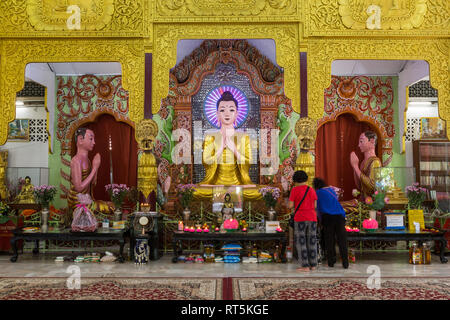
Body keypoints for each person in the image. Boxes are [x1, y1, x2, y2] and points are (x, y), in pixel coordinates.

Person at [194, 91, 261, 200]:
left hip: (238, 183)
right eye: (222, 110)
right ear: (217, 114)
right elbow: (206, 161)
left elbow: (249, 161)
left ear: (237, 113)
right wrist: (220, 150)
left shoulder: (244, 137)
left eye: (231, 110)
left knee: (258, 192)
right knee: (196, 192)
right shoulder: (210, 137)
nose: (227, 113)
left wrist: (234, 149)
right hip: (215, 183)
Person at [68, 127, 113, 215]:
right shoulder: (76, 160)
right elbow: (79, 187)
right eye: (91, 139)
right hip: (78, 202)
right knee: (111, 208)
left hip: (87, 199)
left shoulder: (87, 160)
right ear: (80, 139)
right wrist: (95, 168)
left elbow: (93, 183)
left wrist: (96, 167)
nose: (94, 142)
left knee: (111, 205)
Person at [343, 130, 382, 214]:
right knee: (338, 205)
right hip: (362, 201)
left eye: (361, 141)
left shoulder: (375, 162)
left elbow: (372, 186)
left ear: (372, 141)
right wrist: (354, 167)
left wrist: (356, 167)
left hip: (370, 204)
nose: (359, 145)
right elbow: (359, 186)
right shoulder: (363, 162)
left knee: (339, 209)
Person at [313, 177, 349, 269]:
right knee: (342, 240)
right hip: (340, 216)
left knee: (330, 240)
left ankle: (331, 262)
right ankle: (345, 263)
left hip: (328, 217)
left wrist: (320, 221)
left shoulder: (318, 193)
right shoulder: (331, 190)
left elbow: (319, 208)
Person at [288, 170, 318, 272]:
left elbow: (291, 205)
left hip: (300, 217)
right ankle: (313, 265)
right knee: (312, 240)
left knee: (301, 242)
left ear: (295, 180)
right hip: (312, 218)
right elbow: (315, 206)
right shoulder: (311, 190)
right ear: (306, 179)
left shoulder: (294, 190)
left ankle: (305, 266)